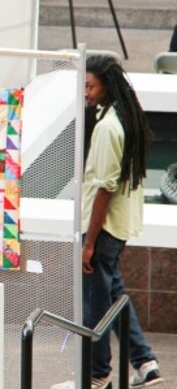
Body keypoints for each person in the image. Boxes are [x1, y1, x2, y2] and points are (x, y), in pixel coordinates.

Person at [71, 55, 161, 389]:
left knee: (95, 305)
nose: (86, 93)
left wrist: (90, 242)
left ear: (107, 85)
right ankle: (145, 362)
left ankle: (98, 376)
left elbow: (104, 189)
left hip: (104, 228)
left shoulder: (109, 128)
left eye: (90, 86)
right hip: (119, 225)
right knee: (114, 294)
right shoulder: (123, 116)